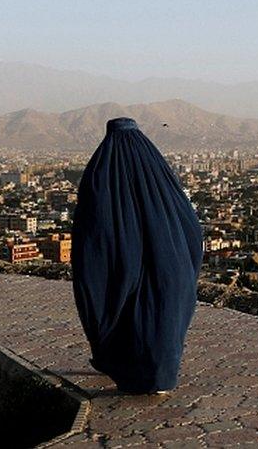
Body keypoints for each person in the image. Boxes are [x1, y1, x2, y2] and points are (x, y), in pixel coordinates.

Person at [71, 117, 202, 394]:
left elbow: (93, 233)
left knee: (130, 318)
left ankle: (136, 374)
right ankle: (160, 378)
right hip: (170, 267)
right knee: (160, 321)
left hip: (122, 269)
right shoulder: (159, 176)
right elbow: (191, 226)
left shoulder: (101, 175)